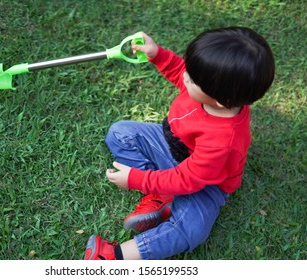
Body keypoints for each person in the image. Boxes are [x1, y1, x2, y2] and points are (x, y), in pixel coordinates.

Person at [84, 27, 275, 260]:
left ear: (220, 102)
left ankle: (113, 257)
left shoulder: (223, 142)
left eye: (192, 78)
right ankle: (162, 195)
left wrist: (137, 179)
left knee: (191, 230)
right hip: (172, 145)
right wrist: (157, 54)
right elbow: (178, 70)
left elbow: (188, 179)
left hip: (205, 184)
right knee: (120, 133)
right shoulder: (215, 88)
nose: (185, 76)